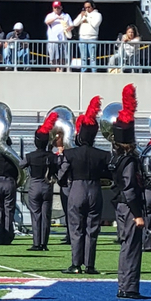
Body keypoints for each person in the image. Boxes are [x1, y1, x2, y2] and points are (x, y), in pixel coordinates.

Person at [59, 100, 111, 274]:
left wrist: (61, 181)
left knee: (76, 228)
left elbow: (62, 174)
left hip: (76, 190)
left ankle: (75, 264)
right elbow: (109, 174)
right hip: (95, 190)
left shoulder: (70, 153)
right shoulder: (103, 155)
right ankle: (89, 265)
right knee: (92, 228)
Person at [108, 87, 148, 299]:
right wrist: (138, 214)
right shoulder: (130, 161)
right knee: (132, 248)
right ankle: (129, 287)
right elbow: (131, 188)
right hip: (129, 207)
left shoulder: (116, 158)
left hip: (121, 206)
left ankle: (124, 285)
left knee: (127, 246)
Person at [25, 113, 60, 251]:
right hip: (47, 186)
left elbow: (21, 165)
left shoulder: (30, 156)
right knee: (46, 215)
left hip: (34, 185)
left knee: (36, 215)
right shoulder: (51, 156)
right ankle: (44, 243)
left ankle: (36, 242)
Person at [0, 119, 21, 245]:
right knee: (9, 210)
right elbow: (19, 169)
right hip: (9, 182)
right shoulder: (12, 156)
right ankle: (8, 235)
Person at [72, 0, 103, 72]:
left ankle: (93, 72)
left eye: (88, 7)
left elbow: (95, 24)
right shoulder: (83, 14)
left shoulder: (97, 15)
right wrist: (80, 16)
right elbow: (75, 23)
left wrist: (88, 17)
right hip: (82, 38)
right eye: (85, 7)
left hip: (92, 38)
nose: (87, 9)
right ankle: (83, 72)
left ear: (93, 7)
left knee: (92, 57)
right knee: (83, 57)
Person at [43, 0, 70, 70]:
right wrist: (56, 18)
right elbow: (47, 22)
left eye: (58, 8)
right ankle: (54, 70)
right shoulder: (50, 15)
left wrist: (68, 28)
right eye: (55, 8)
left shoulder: (66, 15)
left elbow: (71, 25)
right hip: (53, 40)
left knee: (63, 58)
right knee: (53, 58)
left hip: (63, 40)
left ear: (61, 8)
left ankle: (61, 70)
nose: (56, 9)